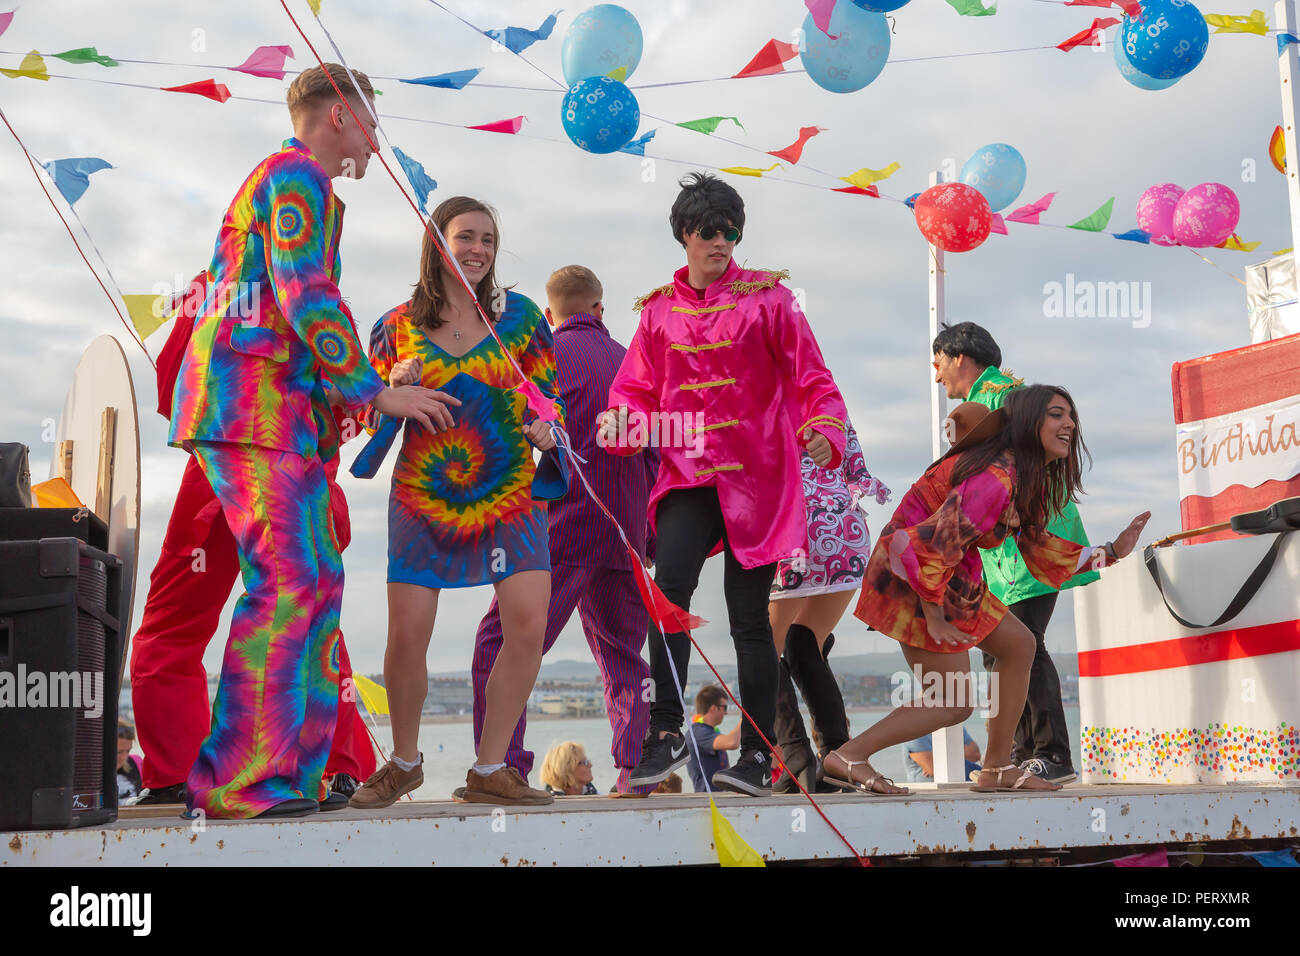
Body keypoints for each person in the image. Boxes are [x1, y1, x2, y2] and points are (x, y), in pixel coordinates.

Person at [167, 64, 453, 819]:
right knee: (292, 580)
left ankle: (291, 773)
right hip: (248, 408)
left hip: (274, 411)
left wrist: (335, 392)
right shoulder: (296, 176)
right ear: (336, 117)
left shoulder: (296, 183)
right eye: (369, 120)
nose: (375, 137)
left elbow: (291, 303)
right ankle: (240, 783)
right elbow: (303, 291)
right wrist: (371, 389)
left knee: (316, 581)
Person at [600, 172, 850, 796]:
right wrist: (623, 419)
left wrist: (824, 428)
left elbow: (813, 378)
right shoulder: (658, 311)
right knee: (670, 593)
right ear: (685, 235)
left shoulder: (771, 300)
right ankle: (664, 733)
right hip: (687, 473)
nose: (722, 241)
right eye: (710, 230)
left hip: (759, 483)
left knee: (748, 622)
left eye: (731, 231)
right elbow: (632, 387)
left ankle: (759, 759)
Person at [822, 386, 1150, 795]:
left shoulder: (1018, 476)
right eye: (1055, 414)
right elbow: (934, 544)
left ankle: (996, 768)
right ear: (1030, 423)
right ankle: (849, 756)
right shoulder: (995, 478)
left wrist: (1112, 552)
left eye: (1070, 416)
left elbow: (1042, 552)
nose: (1068, 424)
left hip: (946, 575)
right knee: (952, 702)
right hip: (913, 574)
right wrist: (936, 616)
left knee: (1019, 644)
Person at [349, 196, 565, 809]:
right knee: (408, 633)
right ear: (436, 243)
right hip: (425, 495)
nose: (477, 249)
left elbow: (550, 397)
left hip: (509, 492)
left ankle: (491, 767)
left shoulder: (522, 319)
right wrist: (389, 389)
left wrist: (547, 427)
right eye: (466, 236)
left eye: (489, 241)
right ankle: (406, 760)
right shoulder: (395, 325)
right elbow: (363, 413)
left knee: (528, 624)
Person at [470, 265, 657, 793]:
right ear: (600, 310)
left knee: (501, 641)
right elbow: (657, 454)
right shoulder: (635, 362)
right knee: (624, 656)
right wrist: (649, 538)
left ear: (550, 315)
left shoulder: (543, 356)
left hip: (563, 526)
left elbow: (508, 433)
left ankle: (504, 765)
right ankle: (633, 773)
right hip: (626, 532)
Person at [932, 321, 1095, 784]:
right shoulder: (987, 400)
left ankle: (1051, 753)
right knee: (1003, 649)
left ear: (960, 357)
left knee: (1025, 644)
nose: (936, 374)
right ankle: (1019, 753)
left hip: (1030, 543)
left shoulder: (1005, 396)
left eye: (938, 362)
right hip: (1004, 550)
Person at [768, 418, 890, 793]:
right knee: (806, 644)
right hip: (844, 533)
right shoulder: (828, 402)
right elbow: (857, 469)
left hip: (794, 527)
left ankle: (795, 755)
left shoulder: (761, 392)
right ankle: (839, 755)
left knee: (762, 647)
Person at [686, 685, 741, 792]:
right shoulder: (697, 733)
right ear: (713, 708)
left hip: (718, 798)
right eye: (724, 707)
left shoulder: (709, 731)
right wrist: (746, 719)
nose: (726, 713)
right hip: (708, 799)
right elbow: (732, 742)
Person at [901, 728, 981, 783]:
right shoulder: (914, 733)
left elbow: (975, 754)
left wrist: (938, 758)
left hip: (962, 785)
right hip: (927, 792)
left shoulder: (954, 726)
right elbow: (933, 768)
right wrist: (957, 751)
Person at [117, 719, 144, 803]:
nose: (124, 757)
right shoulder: (93, 775)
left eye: (128, 751)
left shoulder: (136, 762)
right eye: (119, 752)